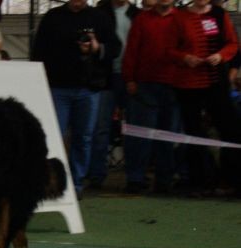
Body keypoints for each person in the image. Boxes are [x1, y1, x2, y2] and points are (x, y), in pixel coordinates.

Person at [31, 0, 121, 197]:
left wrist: (97, 48)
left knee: (84, 137)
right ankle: (50, 181)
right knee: (54, 137)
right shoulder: (52, 17)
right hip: (57, 88)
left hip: (89, 89)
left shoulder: (100, 17)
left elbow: (115, 48)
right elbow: (38, 51)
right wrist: (38, 81)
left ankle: (76, 184)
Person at [167, 0, 241, 196]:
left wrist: (221, 56)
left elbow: (232, 43)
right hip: (188, 84)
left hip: (216, 82)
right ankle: (200, 181)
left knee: (230, 130)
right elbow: (170, 49)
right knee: (194, 132)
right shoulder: (179, 16)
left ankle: (232, 180)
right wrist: (185, 58)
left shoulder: (219, 14)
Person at [121, 0, 180, 194]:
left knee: (168, 137)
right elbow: (131, 51)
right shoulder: (142, 19)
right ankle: (135, 179)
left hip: (174, 86)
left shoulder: (181, 18)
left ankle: (164, 181)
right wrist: (129, 78)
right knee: (139, 136)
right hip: (144, 86)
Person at [88, 0, 140, 189]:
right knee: (100, 129)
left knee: (134, 129)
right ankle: (96, 175)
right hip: (105, 77)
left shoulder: (138, 14)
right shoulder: (97, 13)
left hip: (132, 78)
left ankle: (135, 176)